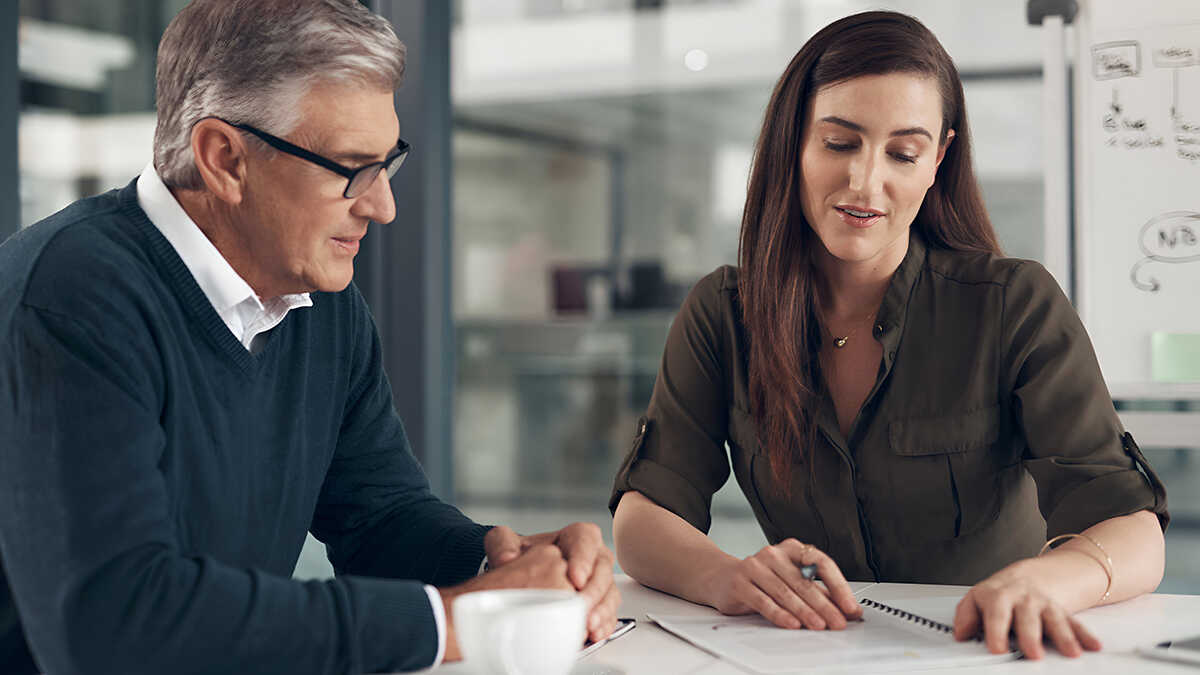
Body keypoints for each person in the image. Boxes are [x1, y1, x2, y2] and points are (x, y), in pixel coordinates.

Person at [0, 1, 618, 673]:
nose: (383, 205)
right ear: (225, 159)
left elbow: (377, 518)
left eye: (388, 164)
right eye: (352, 168)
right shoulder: (69, 295)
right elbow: (114, 623)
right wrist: (455, 620)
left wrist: (501, 560)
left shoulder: (320, 305)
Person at [610, 10, 1169, 661]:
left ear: (937, 159)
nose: (864, 182)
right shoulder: (723, 313)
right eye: (840, 143)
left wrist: (1044, 578)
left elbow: (1135, 532)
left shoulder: (1013, 304)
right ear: (794, 143)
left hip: (986, 654)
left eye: (902, 153)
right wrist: (728, 576)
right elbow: (644, 518)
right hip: (804, 653)